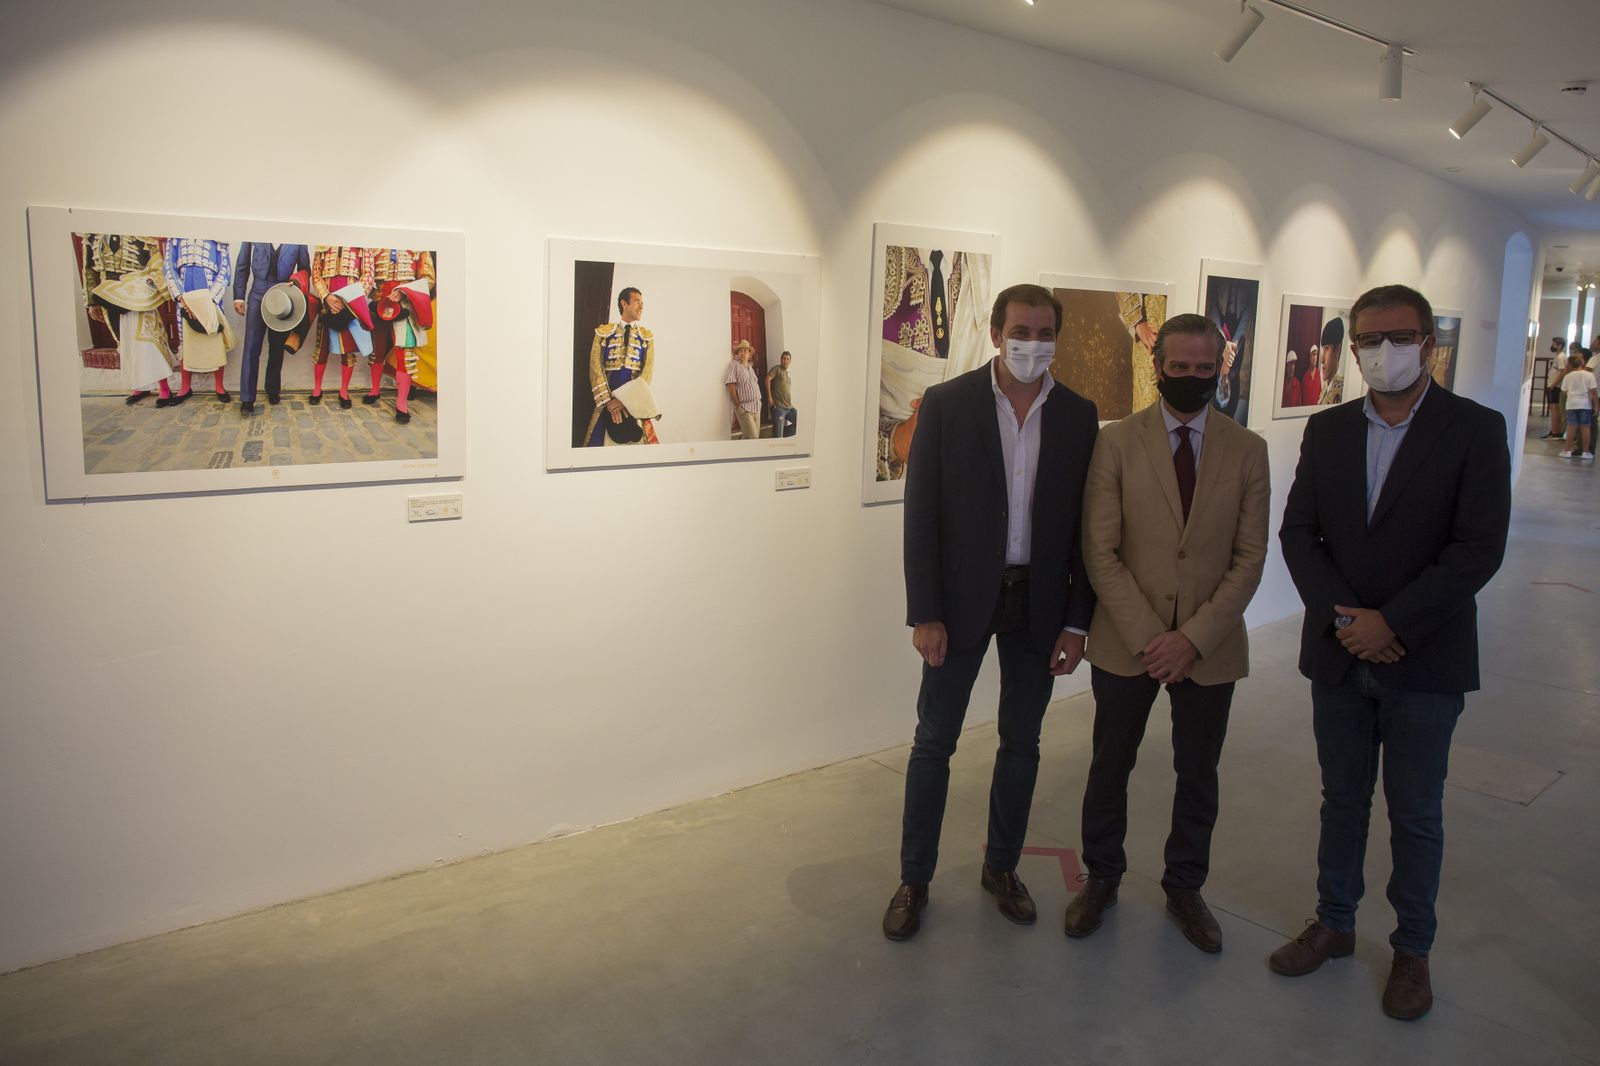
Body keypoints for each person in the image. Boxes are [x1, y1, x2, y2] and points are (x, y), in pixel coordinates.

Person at [1273, 283, 1511, 1021]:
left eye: (1398, 338)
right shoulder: (1331, 428)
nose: (1383, 354)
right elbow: (1298, 535)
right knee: (1341, 799)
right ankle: (1335, 922)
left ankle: (1413, 949)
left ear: (1428, 344)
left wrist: (1393, 622)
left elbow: (1477, 549)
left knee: (1416, 812)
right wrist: (1349, 620)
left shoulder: (1474, 429)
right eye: (1368, 342)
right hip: (1342, 656)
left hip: (1426, 657)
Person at [882, 284, 1099, 941]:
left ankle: (1001, 868)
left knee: (1022, 743)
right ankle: (913, 878)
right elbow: (921, 517)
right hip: (960, 601)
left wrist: (1077, 620)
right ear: (996, 332)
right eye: (1020, 330)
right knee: (933, 743)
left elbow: (1090, 527)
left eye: (1043, 331)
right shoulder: (948, 405)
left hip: (1040, 602)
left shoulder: (1079, 415)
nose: (1032, 342)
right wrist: (925, 612)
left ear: (1055, 337)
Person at [1063, 313, 1270, 953]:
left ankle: (1185, 885)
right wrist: (1154, 635)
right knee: (1109, 764)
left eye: (1203, 369)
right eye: (1178, 367)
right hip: (1129, 641)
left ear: (1220, 368)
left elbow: (1250, 557)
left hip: (1209, 649)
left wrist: (1193, 638)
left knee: (1198, 772)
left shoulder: (1248, 449)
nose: (1190, 378)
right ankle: (1101, 876)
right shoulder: (1116, 443)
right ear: (1159, 368)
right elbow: (1100, 550)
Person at [233, 243, 311, 414]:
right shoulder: (255, 227)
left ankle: (273, 389)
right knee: (251, 347)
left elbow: (305, 269)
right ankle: (247, 398)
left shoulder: (298, 235)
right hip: (257, 294)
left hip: (284, 295)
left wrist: (296, 283)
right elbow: (242, 264)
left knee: (277, 347)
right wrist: (239, 296)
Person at [371, 248, 436, 425]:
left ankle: (401, 405)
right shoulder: (375, 247)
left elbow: (429, 279)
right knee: (377, 350)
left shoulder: (419, 248)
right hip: (379, 305)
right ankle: (374, 391)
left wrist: (404, 290)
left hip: (405, 308)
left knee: (404, 354)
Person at [164, 238, 234, 404]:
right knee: (186, 341)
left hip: (210, 295)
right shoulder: (176, 237)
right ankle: (185, 387)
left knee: (214, 339)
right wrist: (181, 296)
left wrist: (211, 299)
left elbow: (224, 270)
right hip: (185, 295)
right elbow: (169, 268)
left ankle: (219, 386)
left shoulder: (217, 237)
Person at [585, 287, 657, 446]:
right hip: (606, 404)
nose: (641, 306)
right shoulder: (603, 333)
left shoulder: (647, 337)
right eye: (637, 301)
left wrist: (624, 401)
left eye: (642, 303)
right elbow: (595, 368)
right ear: (624, 303)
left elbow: (646, 374)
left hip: (634, 404)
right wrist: (610, 403)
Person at [309, 245, 377, 408]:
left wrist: (350, 301)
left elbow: (368, 276)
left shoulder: (362, 246)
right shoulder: (322, 245)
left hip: (350, 308)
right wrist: (326, 296)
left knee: (347, 351)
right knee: (321, 349)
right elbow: (316, 275)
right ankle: (317, 389)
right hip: (327, 305)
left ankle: (344, 391)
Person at [1560, 351, 1597, 460]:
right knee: (1585, 428)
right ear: (1582, 363)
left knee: (1571, 427)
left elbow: (1564, 391)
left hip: (1571, 404)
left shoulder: (1568, 376)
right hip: (1585, 404)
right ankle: (1586, 452)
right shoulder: (1589, 375)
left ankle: (1567, 450)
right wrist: (1596, 405)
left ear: (1570, 364)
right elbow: (1594, 391)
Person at [723, 340, 762, 441]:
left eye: (745, 350)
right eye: (741, 351)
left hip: (757, 406)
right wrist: (737, 405)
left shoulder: (750, 367)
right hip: (745, 408)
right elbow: (730, 384)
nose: (743, 352)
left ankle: (739, 450)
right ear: (738, 353)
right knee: (753, 437)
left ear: (749, 354)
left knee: (754, 436)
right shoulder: (734, 365)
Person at [766, 350, 796, 438]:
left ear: (790, 361)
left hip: (789, 407)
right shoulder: (777, 368)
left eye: (787, 359)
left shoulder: (787, 374)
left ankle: (783, 432)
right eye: (784, 359)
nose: (785, 361)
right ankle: (779, 434)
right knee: (778, 437)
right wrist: (769, 398)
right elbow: (767, 379)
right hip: (779, 408)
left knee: (801, 424)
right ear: (781, 359)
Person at [1317, 318, 1345, 404]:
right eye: (1323, 349)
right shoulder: (1325, 387)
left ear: (1337, 349)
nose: (1322, 359)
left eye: (1327, 348)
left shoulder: (1342, 390)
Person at [1544, 337, 1568, 439]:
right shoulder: (1558, 357)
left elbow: (1563, 371)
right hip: (1554, 386)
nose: (1552, 346)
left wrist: (1554, 384)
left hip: (1556, 387)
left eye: (1554, 344)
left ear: (1560, 345)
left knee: (1555, 410)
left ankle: (1556, 432)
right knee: (1553, 409)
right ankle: (1554, 430)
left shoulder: (1561, 357)